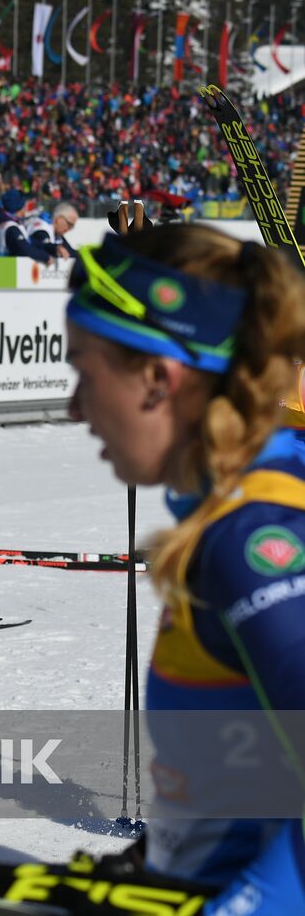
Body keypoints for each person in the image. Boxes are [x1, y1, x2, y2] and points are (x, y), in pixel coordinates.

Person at [67, 223, 305, 912]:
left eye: (86, 372)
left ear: (157, 378)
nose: (75, 408)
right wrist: (162, 860)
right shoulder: (237, 508)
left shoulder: (255, 534)